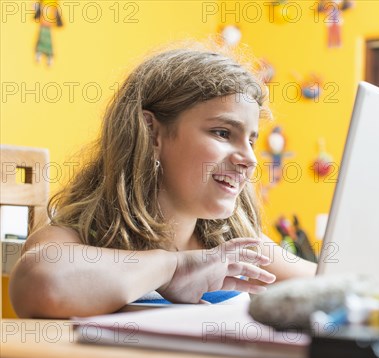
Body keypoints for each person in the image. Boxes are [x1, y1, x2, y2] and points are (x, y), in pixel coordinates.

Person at [9, 44, 317, 318]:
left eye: (251, 140)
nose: (249, 159)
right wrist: (174, 268)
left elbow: (333, 286)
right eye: (223, 133)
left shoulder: (232, 245)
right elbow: (41, 284)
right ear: (152, 133)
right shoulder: (78, 237)